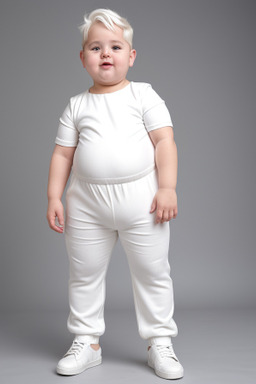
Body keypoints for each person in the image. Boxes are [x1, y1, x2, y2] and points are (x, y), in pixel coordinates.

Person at [46, 8, 184, 380]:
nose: (106, 54)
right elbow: (62, 154)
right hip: (86, 203)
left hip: (143, 200)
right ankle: (87, 341)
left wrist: (168, 187)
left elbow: (165, 141)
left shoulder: (143, 94)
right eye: (96, 47)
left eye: (115, 46)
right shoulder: (77, 105)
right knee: (84, 273)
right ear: (83, 58)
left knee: (153, 272)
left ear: (131, 56)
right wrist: (54, 197)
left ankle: (160, 342)